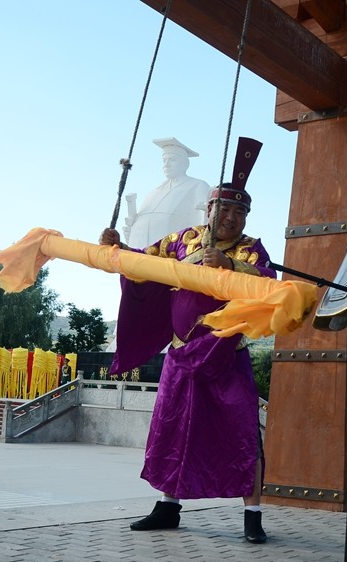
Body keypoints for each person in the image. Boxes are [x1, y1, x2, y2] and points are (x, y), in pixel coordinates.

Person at [99, 137, 269, 544]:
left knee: (242, 434)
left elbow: (268, 284)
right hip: (180, 353)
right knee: (172, 429)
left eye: (239, 212)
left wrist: (229, 265)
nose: (230, 217)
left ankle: (253, 515)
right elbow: (144, 262)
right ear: (208, 210)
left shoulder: (251, 250)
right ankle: (167, 506)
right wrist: (118, 248)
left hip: (226, 354)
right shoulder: (181, 240)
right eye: (223, 208)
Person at [123, 137, 211, 249]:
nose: (166, 164)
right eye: (164, 160)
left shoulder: (197, 185)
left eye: (172, 160)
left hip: (173, 250)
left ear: (185, 164)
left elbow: (204, 221)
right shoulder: (153, 192)